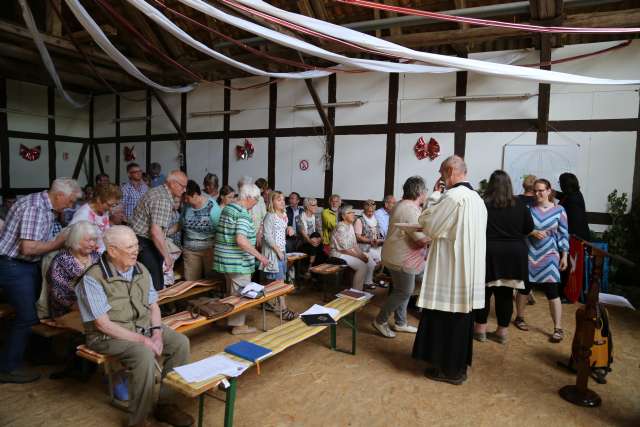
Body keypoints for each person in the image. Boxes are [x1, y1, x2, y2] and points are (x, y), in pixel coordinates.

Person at [75, 226, 193, 427]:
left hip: (141, 327)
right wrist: (144, 340)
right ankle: (139, 420)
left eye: (137, 245)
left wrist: (156, 333)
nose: (136, 250)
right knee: (143, 355)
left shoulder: (140, 269)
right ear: (112, 251)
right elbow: (102, 324)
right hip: (107, 336)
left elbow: (153, 306)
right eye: (130, 247)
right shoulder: (92, 278)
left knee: (180, 342)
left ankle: (165, 405)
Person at [412, 156, 487, 385]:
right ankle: (457, 367)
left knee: (447, 319)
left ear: (451, 171)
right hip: (468, 271)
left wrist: (435, 195)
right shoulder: (476, 199)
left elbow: (429, 225)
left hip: (451, 271)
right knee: (460, 321)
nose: (441, 177)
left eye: (442, 172)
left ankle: (450, 370)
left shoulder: (453, 197)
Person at [0, 178, 82, 383]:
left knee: (34, 313)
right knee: (26, 316)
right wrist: (58, 243)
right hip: (13, 265)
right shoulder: (35, 208)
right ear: (59, 196)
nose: (71, 206)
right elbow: (28, 248)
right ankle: (7, 368)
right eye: (70, 201)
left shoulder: (44, 206)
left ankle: (36, 355)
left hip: (22, 265)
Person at [473, 171, 534, 345]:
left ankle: (480, 330)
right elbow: (529, 228)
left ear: (491, 184)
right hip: (514, 254)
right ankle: (501, 332)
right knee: (506, 294)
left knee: (483, 293)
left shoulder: (483, 204)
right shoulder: (520, 204)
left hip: (489, 252)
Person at [514, 178, 569, 343]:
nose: (538, 193)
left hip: (550, 255)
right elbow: (518, 229)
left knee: (553, 291)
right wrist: (531, 232)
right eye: (536, 190)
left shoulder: (559, 210)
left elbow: (563, 234)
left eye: (541, 190)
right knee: (524, 288)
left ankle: (558, 328)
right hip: (529, 254)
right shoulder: (528, 209)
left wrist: (564, 255)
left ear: (549, 191)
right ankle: (519, 317)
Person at [373, 177, 428, 338]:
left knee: (405, 289)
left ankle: (400, 322)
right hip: (401, 258)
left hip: (398, 256)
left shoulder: (404, 205)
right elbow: (421, 239)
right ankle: (380, 321)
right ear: (419, 192)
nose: (426, 194)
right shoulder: (409, 209)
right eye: (425, 191)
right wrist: (439, 236)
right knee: (404, 291)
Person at [212, 183, 269, 335]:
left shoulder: (229, 208)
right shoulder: (242, 213)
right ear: (249, 197)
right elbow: (241, 240)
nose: (257, 203)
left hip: (224, 259)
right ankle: (238, 326)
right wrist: (260, 256)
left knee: (231, 292)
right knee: (241, 293)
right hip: (237, 261)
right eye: (256, 199)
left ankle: (227, 318)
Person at [130, 171, 188, 291]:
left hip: (138, 241)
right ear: (172, 183)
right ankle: (155, 309)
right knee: (154, 284)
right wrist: (167, 257)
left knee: (144, 282)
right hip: (145, 244)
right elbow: (156, 232)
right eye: (183, 186)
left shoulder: (156, 191)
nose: (184, 190)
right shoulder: (163, 199)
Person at [47, 221, 100, 320]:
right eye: (88, 240)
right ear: (76, 240)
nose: (93, 244)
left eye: (94, 240)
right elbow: (59, 295)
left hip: (96, 305)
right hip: (69, 310)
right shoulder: (62, 261)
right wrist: (86, 308)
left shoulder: (96, 256)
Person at [260, 191, 297, 320]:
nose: (282, 202)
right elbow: (267, 236)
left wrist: (289, 228)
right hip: (274, 253)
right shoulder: (270, 216)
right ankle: (283, 310)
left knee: (274, 281)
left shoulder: (284, 214)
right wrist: (277, 251)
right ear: (272, 202)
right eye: (278, 200)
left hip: (282, 251)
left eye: (283, 199)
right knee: (279, 282)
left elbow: (283, 229)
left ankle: (266, 302)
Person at [557, 172, 591, 302]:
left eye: (560, 183)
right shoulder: (575, 194)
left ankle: (568, 294)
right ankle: (567, 292)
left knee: (571, 267)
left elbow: (572, 219)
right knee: (570, 266)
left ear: (565, 185)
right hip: (575, 236)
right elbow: (564, 197)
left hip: (575, 238)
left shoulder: (572, 199)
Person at [330, 205, 377, 291]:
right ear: (343, 216)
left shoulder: (350, 225)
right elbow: (344, 249)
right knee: (362, 266)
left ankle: (366, 283)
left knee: (370, 262)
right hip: (338, 254)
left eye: (353, 212)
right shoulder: (341, 227)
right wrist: (360, 257)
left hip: (348, 252)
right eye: (350, 212)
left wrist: (362, 255)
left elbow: (354, 245)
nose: (353, 214)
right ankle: (356, 291)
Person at [181, 180, 219, 281]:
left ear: (195, 194)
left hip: (209, 250)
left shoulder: (212, 206)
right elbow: (180, 223)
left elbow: (219, 228)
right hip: (190, 250)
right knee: (190, 281)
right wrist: (166, 232)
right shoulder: (186, 206)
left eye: (187, 198)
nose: (185, 201)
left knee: (211, 280)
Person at [70, 183, 122, 253]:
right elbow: (71, 240)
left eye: (113, 205)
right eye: (109, 205)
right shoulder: (83, 214)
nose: (110, 209)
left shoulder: (103, 210)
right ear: (98, 200)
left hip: (103, 253)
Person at [354, 199, 383, 289]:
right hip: (364, 246)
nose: (370, 212)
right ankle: (367, 282)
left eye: (372, 211)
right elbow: (358, 237)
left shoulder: (375, 218)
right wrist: (369, 241)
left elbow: (378, 232)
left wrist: (379, 240)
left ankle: (376, 278)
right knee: (372, 263)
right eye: (368, 211)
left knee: (385, 258)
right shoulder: (360, 220)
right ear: (364, 209)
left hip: (375, 245)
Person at [296, 197, 325, 267]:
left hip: (316, 242)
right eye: (314, 205)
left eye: (316, 205)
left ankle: (310, 267)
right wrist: (311, 241)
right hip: (304, 243)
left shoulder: (317, 217)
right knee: (316, 247)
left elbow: (320, 231)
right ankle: (311, 267)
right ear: (307, 206)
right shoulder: (299, 217)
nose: (316, 207)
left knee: (316, 234)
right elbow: (304, 234)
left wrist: (319, 239)